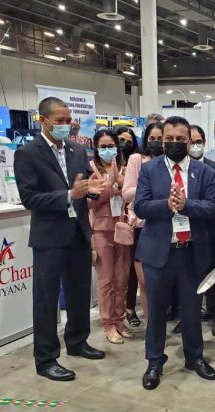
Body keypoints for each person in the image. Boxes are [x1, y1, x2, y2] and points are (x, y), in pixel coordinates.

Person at [15, 97, 106, 381]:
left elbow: (81, 189)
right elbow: (30, 198)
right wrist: (69, 195)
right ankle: (45, 359)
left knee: (79, 292)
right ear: (43, 120)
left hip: (78, 232)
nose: (66, 126)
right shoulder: (28, 153)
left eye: (69, 121)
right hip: (49, 237)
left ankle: (77, 342)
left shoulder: (77, 150)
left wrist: (90, 190)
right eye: (60, 121)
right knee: (46, 299)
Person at [135, 116, 215, 390]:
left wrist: (186, 205)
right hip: (158, 253)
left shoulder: (205, 171)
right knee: (157, 311)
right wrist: (167, 204)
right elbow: (140, 207)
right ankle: (154, 361)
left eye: (180, 139)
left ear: (189, 140)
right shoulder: (149, 170)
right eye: (168, 139)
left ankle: (194, 357)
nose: (174, 143)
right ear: (161, 141)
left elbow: (214, 208)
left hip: (191, 253)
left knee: (192, 310)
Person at [88, 130, 132, 344]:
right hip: (101, 230)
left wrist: (122, 183)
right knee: (106, 280)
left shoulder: (125, 168)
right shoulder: (91, 169)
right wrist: (108, 186)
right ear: (96, 148)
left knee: (122, 279)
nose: (107, 150)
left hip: (123, 228)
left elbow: (133, 195)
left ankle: (120, 319)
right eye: (103, 146)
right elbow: (88, 202)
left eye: (110, 146)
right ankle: (108, 323)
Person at [122, 122, 164, 330]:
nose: (155, 142)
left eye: (160, 138)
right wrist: (150, 185)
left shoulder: (171, 161)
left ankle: (163, 321)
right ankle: (152, 327)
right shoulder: (137, 159)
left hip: (167, 227)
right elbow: (127, 193)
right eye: (152, 138)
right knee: (146, 283)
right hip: (142, 227)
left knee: (164, 283)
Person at [190, 124, 215, 338]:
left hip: (212, 228)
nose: (195, 146)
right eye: (192, 141)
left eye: (199, 142)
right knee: (191, 274)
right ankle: (192, 313)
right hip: (187, 229)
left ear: (205, 143)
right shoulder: (178, 170)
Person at [116, 126, 142, 328]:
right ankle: (118, 312)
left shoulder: (136, 160)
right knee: (117, 270)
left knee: (133, 269)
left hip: (134, 221)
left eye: (128, 140)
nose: (123, 144)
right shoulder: (105, 164)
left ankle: (130, 307)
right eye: (119, 140)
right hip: (113, 221)